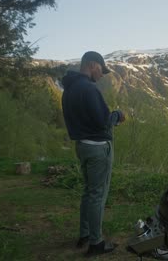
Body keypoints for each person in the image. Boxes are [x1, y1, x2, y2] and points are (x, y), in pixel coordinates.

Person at [61, 51, 125, 257]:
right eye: (101, 69)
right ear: (92, 64)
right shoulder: (89, 89)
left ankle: (85, 234)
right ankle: (96, 243)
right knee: (98, 194)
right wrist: (117, 115)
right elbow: (103, 121)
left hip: (82, 146)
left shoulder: (68, 90)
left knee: (89, 191)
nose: (102, 74)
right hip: (98, 148)